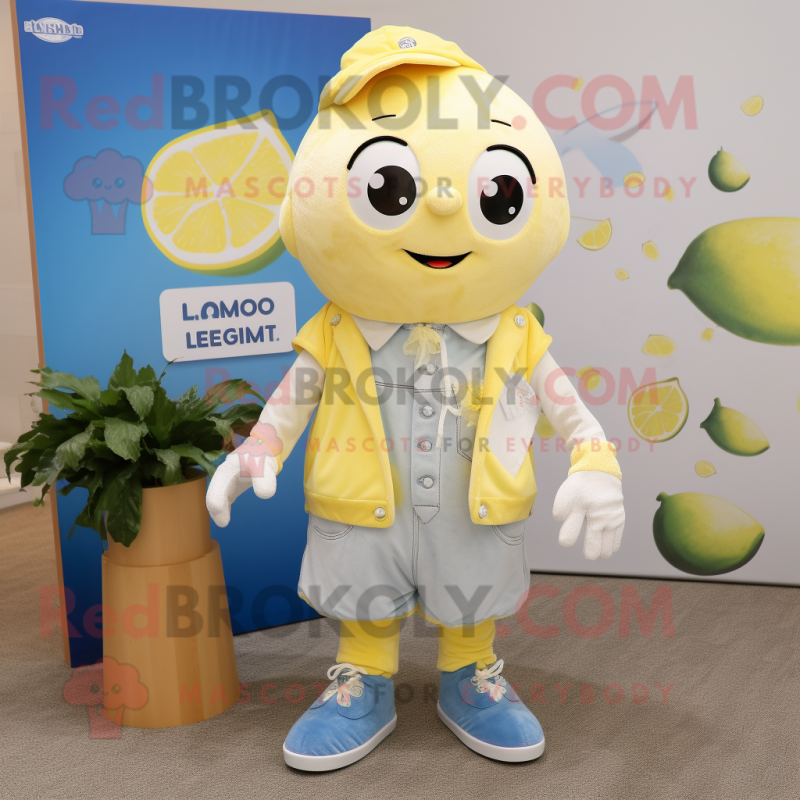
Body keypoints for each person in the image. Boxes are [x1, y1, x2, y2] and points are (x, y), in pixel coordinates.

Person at [206, 26, 625, 771]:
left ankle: (472, 673)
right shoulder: (337, 328)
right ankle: (362, 678)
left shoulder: (514, 331)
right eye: (391, 189)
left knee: (473, 580)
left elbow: (567, 406)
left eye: (497, 194)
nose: (439, 209)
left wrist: (596, 463)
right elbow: (293, 399)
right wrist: (258, 450)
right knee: (362, 581)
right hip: (362, 503)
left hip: (475, 502)